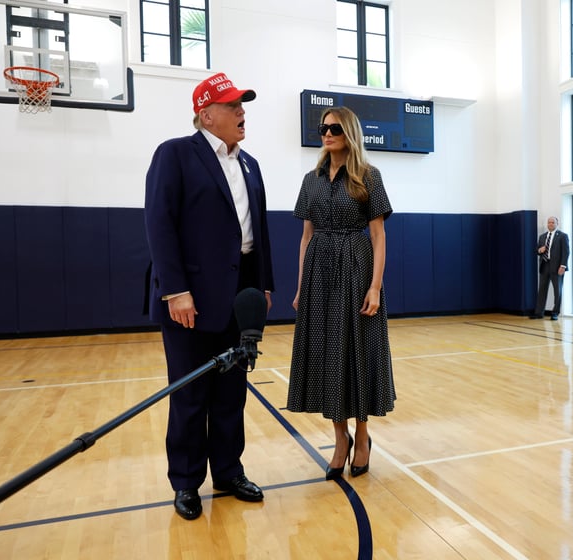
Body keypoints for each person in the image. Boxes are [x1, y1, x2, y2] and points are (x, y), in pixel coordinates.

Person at [144, 72, 275, 520]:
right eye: (232, 106)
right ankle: (185, 482)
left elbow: (258, 232)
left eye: (243, 105)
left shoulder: (250, 164)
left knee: (231, 392)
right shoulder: (176, 154)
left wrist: (263, 287)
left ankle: (228, 471)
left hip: (239, 297)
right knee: (189, 395)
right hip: (190, 299)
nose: (242, 113)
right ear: (205, 114)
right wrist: (175, 290)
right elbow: (159, 224)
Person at [287, 106, 396, 480]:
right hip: (320, 270)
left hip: (357, 266)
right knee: (327, 355)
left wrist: (375, 287)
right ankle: (339, 439)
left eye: (334, 128)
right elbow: (305, 237)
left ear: (349, 132)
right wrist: (301, 286)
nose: (327, 133)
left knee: (358, 353)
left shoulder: (369, 176)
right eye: (323, 128)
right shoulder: (310, 179)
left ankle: (362, 436)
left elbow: (379, 236)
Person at [530, 216, 570, 320]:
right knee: (542, 290)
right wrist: (540, 250)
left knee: (558, 291)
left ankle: (555, 313)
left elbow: (566, 252)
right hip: (544, 265)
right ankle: (539, 313)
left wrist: (563, 266)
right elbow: (537, 250)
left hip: (557, 267)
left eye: (553, 222)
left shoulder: (562, 236)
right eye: (549, 222)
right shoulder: (542, 237)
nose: (550, 224)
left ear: (557, 224)